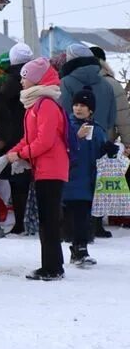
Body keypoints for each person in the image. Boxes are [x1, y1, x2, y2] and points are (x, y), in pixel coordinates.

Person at [5, 57, 69, 281]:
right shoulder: (35, 105)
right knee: (46, 218)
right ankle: (53, 264)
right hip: (44, 168)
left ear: (36, 80)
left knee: (49, 219)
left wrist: (20, 155)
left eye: (25, 78)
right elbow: (28, 138)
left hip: (52, 169)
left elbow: (45, 141)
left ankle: (52, 267)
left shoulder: (46, 105)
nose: (21, 83)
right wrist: (9, 155)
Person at [64, 89, 117, 267]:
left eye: (83, 105)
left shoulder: (97, 128)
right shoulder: (68, 126)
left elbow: (98, 151)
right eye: (76, 104)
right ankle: (79, 250)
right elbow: (64, 148)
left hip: (89, 179)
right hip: (72, 178)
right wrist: (76, 138)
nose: (78, 109)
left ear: (91, 109)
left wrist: (109, 149)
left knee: (84, 216)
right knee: (79, 215)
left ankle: (80, 249)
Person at [0, 42, 35, 235]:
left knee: (18, 181)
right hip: (32, 134)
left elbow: (3, 111)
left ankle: (20, 222)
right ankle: (27, 219)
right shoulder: (36, 79)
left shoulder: (10, 82)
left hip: (15, 136)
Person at [90, 46, 130, 143]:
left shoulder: (71, 81)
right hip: (104, 141)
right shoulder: (111, 84)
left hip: (76, 144)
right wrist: (128, 144)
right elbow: (123, 118)